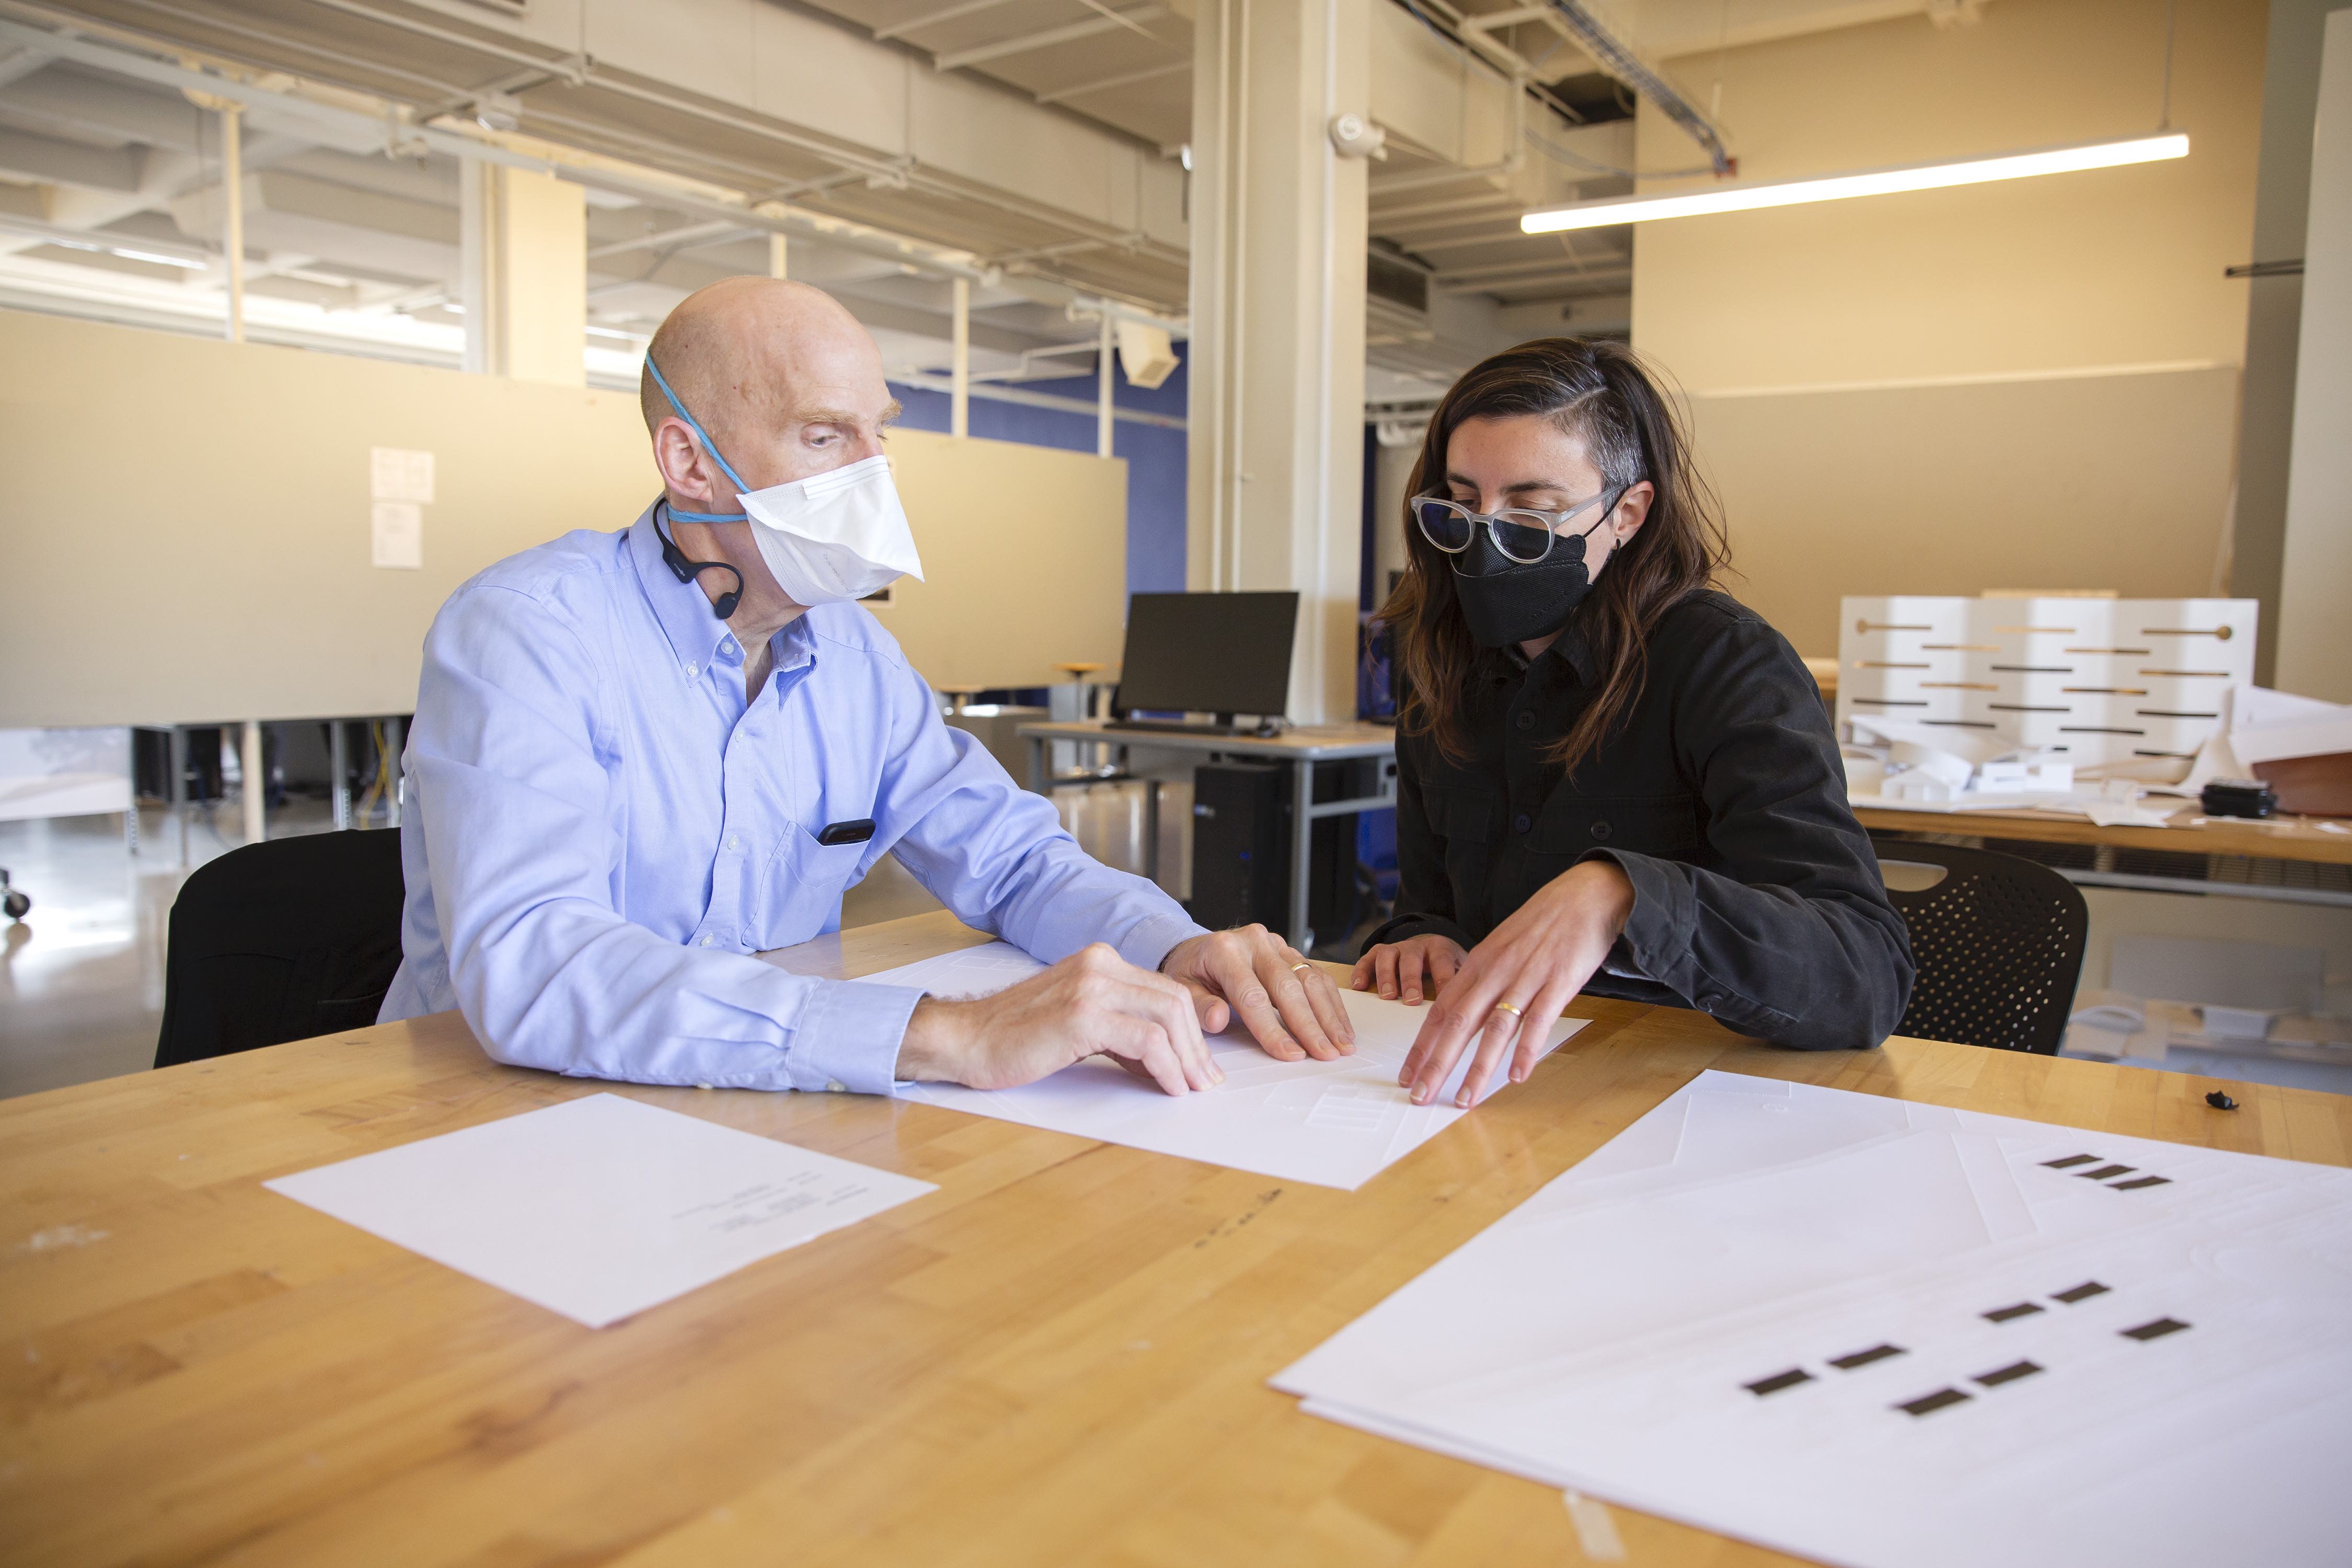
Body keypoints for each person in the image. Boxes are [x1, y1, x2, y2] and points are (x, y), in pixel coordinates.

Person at [381, 276, 1354, 1096]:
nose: (876, 476)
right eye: (824, 438)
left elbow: (1011, 859)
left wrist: (1171, 945)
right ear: (690, 463)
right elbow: (537, 966)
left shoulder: (854, 660)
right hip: (493, 1118)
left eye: (879, 434)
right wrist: (946, 1036)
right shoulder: (529, 632)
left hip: (745, 1107)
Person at [1351, 338, 1913, 1107]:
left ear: (1627, 514)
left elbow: (1865, 977)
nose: (1485, 536)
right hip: (1482, 1087)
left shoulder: (1727, 666)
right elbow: (1428, 902)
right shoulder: (1444, 661)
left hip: (1682, 1096)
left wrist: (1625, 895)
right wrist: (1417, 939)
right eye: (1461, 502)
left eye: (1533, 511)